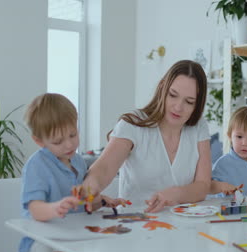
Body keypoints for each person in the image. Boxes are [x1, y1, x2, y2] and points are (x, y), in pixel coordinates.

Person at [79, 60, 212, 213]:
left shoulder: (198, 127)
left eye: (189, 102)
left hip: (185, 224)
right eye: (173, 95)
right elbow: (104, 167)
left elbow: (203, 185)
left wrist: (175, 194)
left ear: (197, 105)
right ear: (162, 87)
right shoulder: (133, 124)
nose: (178, 107)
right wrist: (90, 187)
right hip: (135, 224)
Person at [18, 93, 125, 252]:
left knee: (108, 245)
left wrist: (100, 201)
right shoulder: (37, 166)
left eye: (73, 135)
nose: (69, 145)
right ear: (39, 141)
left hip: (74, 234)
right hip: (42, 240)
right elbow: (34, 210)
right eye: (58, 141)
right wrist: (56, 208)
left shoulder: (78, 162)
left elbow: (84, 205)